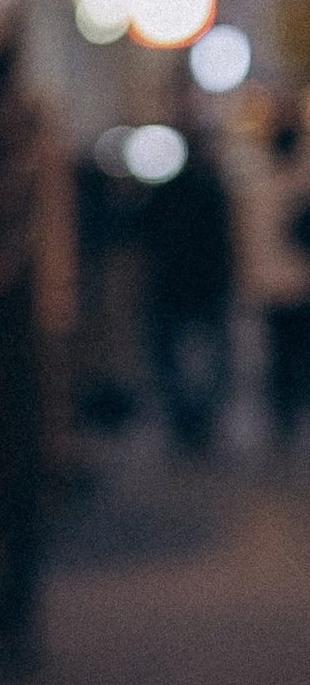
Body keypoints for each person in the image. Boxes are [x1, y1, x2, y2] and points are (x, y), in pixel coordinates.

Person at [139, 128, 234, 457]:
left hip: (171, 284)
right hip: (202, 285)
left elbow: (145, 235)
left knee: (168, 359)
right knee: (215, 360)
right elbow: (224, 241)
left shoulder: (163, 193)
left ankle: (187, 423)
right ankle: (198, 422)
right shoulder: (211, 189)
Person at [230, 102, 310, 449]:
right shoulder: (301, 184)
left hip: (268, 284)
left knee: (278, 353)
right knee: (297, 352)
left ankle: (283, 415)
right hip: (299, 281)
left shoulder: (255, 186)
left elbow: (244, 238)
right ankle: (291, 409)